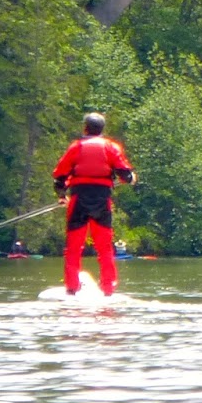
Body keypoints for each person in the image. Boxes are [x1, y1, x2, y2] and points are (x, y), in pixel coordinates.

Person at [51, 112, 136, 296]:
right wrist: (131, 178)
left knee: (74, 248)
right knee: (104, 248)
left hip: (79, 200)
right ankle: (108, 289)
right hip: (101, 201)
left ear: (85, 128)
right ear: (102, 129)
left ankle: (72, 288)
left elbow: (60, 177)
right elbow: (125, 175)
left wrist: (61, 196)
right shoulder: (111, 147)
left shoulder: (76, 147)